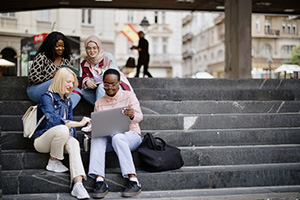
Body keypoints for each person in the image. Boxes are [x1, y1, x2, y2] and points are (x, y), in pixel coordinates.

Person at [32, 67, 90, 199]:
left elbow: (68, 125)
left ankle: (78, 185)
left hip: (60, 139)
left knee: (74, 142)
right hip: (42, 141)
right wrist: (79, 124)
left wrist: (73, 132)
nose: (70, 86)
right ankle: (53, 161)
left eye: (72, 83)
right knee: (63, 128)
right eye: (67, 82)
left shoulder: (68, 101)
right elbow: (52, 120)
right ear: (59, 80)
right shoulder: (47, 97)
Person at [88, 69, 143, 199]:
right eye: (106, 84)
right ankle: (99, 181)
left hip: (131, 136)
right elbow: (99, 125)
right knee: (97, 138)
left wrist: (132, 115)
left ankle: (133, 180)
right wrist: (93, 128)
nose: (110, 87)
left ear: (119, 83)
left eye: (113, 84)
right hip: (109, 140)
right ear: (102, 83)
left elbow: (140, 117)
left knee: (118, 137)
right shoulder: (99, 103)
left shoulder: (129, 96)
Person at [27, 31, 81, 109]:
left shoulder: (66, 60)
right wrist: (52, 76)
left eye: (63, 46)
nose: (60, 49)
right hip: (36, 90)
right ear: (51, 46)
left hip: (57, 91)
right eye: (57, 46)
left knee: (78, 92)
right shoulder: (42, 57)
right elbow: (32, 77)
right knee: (59, 80)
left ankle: (62, 111)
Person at [80, 35, 133, 105]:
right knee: (82, 92)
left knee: (101, 87)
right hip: (97, 88)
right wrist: (87, 81)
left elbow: (114, 73)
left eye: (94, 48)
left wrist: (102, 72)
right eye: (89, 48)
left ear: (99, 47)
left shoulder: (107, 56)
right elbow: (84, 75)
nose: (92, 51)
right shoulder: (85, 62)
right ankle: (107, 105)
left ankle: (101, 110)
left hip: (113, 86)